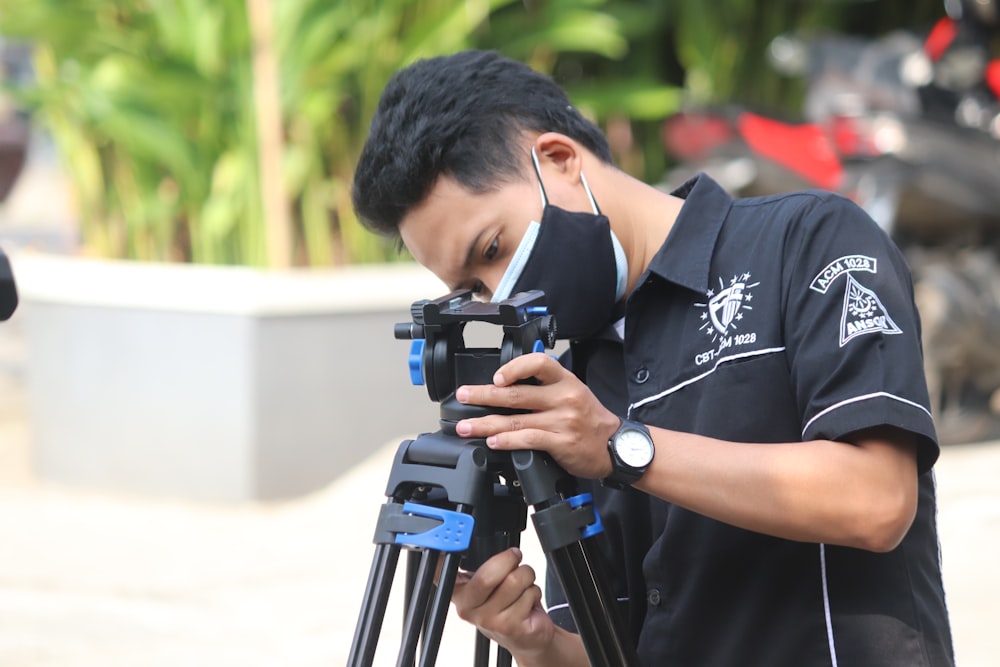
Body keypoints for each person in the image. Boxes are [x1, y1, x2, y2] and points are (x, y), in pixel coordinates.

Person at [351, 50, 954, 666]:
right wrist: (534, 642)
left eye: (493, 247)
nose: (497, 292)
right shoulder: (567, 390)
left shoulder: (807, 241)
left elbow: (878, 500)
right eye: (472, 288)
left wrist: (620, 447)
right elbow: (614, 650)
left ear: (558, 160)